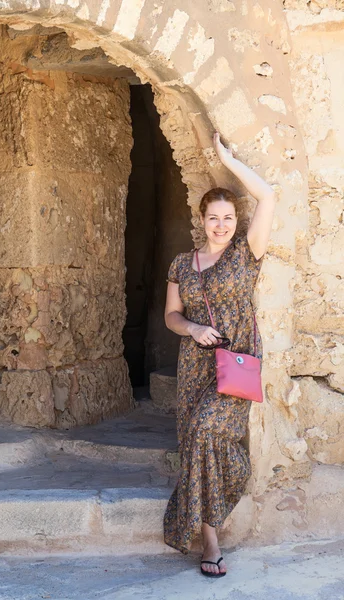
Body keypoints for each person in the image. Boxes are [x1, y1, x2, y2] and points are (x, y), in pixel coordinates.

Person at [163, 132, 275, 578]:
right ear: (202, 220)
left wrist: (227, 159)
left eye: (229, 217)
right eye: (214, 218)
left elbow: (268, 195)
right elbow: (171, 315)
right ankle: (209, 535)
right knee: (195, 440)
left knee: (209, 432)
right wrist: (192, 327)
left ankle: (209, 537)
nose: (222, 225)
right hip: (194, 367)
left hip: (236, 368)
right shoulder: (180, 264)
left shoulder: (247, 256)